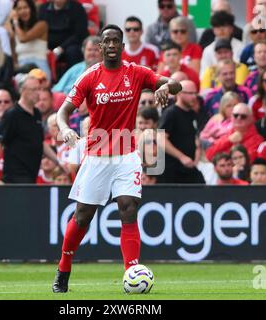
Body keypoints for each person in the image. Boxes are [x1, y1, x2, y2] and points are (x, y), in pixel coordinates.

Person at [52, 24, 181, 293]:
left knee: (128, 208)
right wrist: (65, 129)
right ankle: (63, 268)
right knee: (83, 216)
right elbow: (64, 110)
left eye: (116, 41)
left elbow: (176, 84)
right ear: (100, 47)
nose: (111, 45)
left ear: (123, 47)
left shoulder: (135, 72)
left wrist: (167, 86)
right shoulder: (90, 77)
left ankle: (131, 272)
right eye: (106, 41)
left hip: (126, 153)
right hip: (97, 154)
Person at [0, 74, 58, 184]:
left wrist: (58, 161)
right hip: (15, 179)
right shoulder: (12, 114)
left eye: (39, 89)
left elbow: (40, 143)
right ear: (23, 91)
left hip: (32, 176)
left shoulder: (36, 113)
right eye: (34, 89)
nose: (39, 93)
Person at [157, 80, 205, 184]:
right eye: (190, 93)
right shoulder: (171, 113)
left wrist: (196, 159)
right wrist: (181, 157)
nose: (194, 96)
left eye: (195, 93)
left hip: (189, 169)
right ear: (179, 93)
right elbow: (160, 139)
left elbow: (196, 140)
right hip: (172, 170)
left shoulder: (193, 114)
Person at [39, 0, 89, 71]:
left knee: (73, 51)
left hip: (70, 44)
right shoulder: (43, 8)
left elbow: (80, 33)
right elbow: (39, 30)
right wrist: (45, 47)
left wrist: (61, 48)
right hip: (49, 45)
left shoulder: (77, 8)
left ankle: (73, 78)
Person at [7, 0, 50, 81]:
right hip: (21, 70)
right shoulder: (16, 31)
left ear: (31, 9)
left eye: (25, 7)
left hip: (39, 68)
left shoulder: (42, 25)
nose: (23, 11)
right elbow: (13, 55)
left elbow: (24, 38)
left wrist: (15, 22)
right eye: (19, 9)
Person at [199, 10, 244, 77]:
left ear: (231, 28)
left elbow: (242, 71)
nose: (221, 29)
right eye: (218, 26)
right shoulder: (207, 50)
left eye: (225, 26)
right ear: (213, 30)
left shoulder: (241, 47)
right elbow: (203, 76)